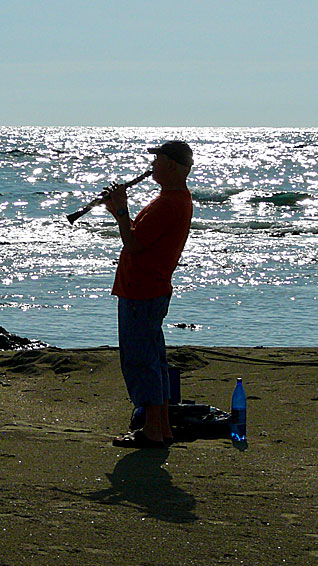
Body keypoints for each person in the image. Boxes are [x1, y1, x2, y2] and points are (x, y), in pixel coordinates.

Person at [103, 140, 194, 448]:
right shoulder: (170, 199)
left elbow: (133, 244)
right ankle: (162, 427)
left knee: (141, 360)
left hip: (143, 291)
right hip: (146, 289)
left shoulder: (170, 203)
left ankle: (153, 430)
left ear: (171, 165)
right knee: (152, 358)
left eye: (157, 160)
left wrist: (120, 211)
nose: (152, 166)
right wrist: (119, 211)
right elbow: (138, 237)